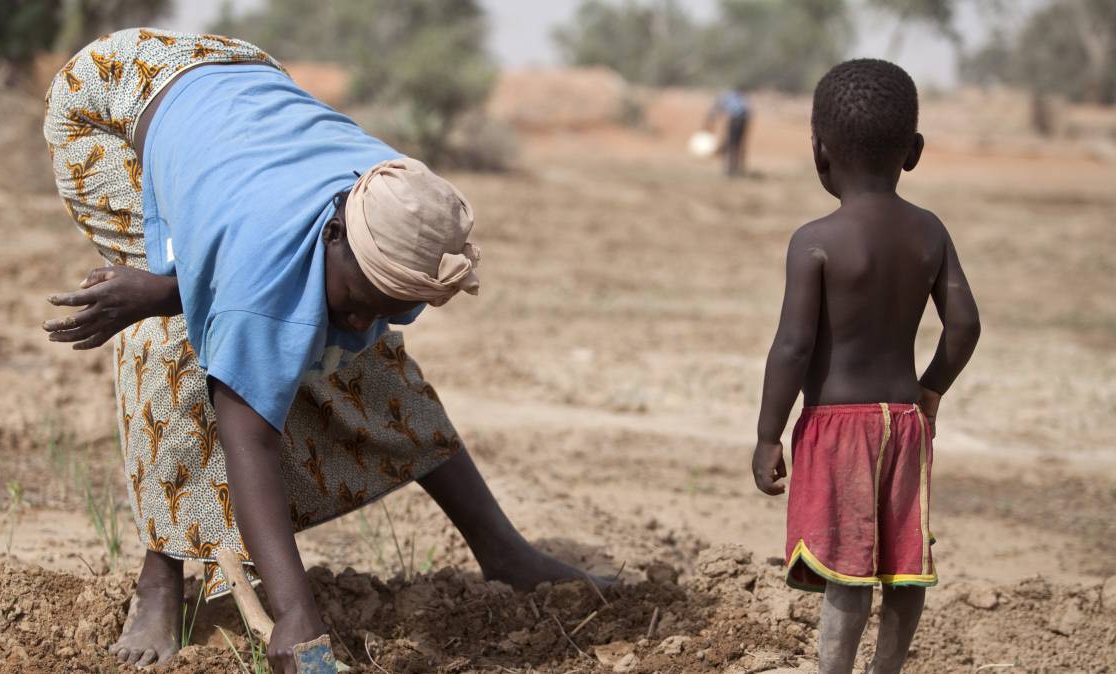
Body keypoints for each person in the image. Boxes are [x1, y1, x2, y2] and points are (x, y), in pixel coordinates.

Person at [42, 28, 597, 673]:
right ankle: (160, 580)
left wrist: (188, 292)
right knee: (189, 343)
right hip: (109, 100)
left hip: (236, 77)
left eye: (389, 306)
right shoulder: (266, 251)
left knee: (341, 341)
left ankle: (502, 550)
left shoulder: (395, 202)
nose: (365, 315)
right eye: (359, 295)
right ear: (333, 232)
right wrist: (295, 613)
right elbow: (246, 433)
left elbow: (332, 308)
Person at [750, 59, 981, 674]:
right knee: (906, 562)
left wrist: (768, 433)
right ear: (914, 151)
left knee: (849, 567)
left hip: (837, 428)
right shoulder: (930, 232)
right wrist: (931, 390)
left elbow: (793, 347)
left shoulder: (815, 240)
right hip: (905, 421)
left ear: (820, 152)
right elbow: (965, 326)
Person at [703, 88, 751, 176]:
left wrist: (709, 122)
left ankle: (730, 170)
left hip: (735, 121)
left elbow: (714, 111)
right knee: (738, 145)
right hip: (744, 121)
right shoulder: (739, 97)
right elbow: (748, 111)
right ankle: (737, 169)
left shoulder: (726, 97)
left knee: (730, 145)